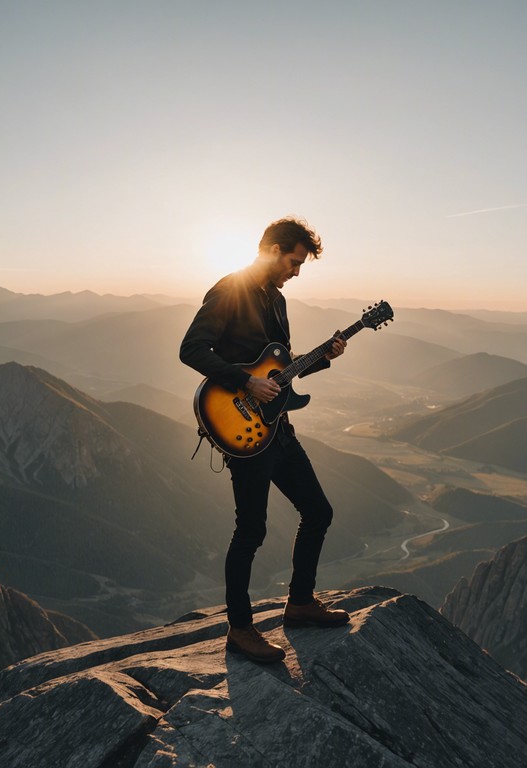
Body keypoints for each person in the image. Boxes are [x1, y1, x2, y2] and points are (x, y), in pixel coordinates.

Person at [180, 217, 350, 663]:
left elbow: (279, 370)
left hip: (278, 429)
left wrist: (323, 358)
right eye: (294, 262)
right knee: (251, 530)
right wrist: (245, 383)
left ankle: (299, 604)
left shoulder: (276, 301)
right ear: (273, 249)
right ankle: (240, 630)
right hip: (244, 432)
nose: (296, 272)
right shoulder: (229, 289)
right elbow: (192, 349)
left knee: (319, 511)